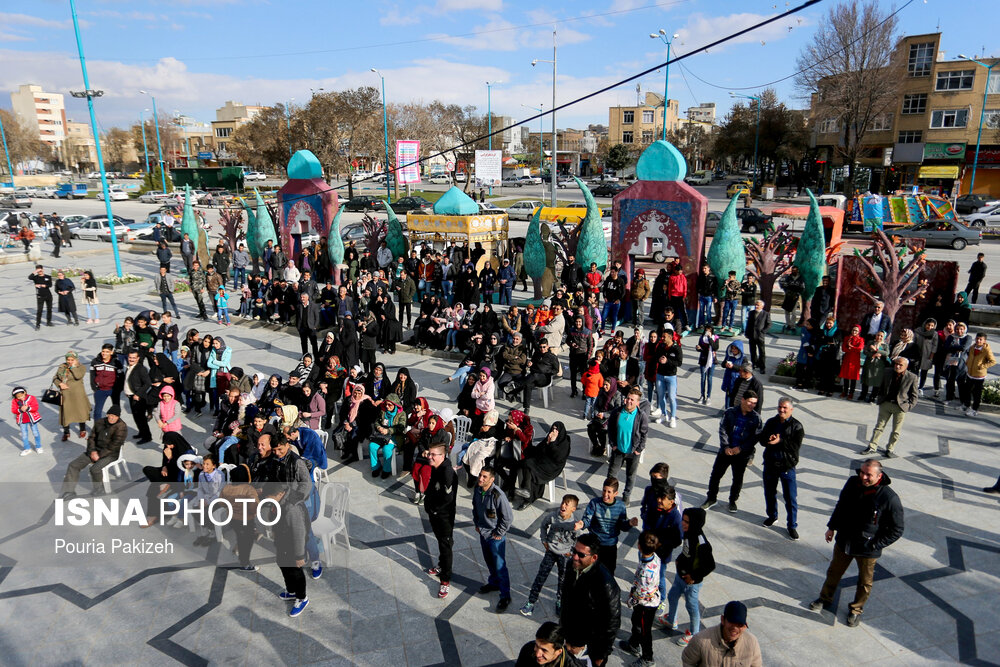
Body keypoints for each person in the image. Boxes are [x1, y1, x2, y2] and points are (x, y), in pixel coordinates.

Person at [810, 459, 904, 628]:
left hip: (868, 549)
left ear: (879, 476)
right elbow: (841, 506)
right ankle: (825, 598)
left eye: (869, 475)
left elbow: (897, 529)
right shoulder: (852, 483)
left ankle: (856, 609)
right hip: (845, 540)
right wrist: (831, 527)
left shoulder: (889, 498)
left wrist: (876, 544)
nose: (864, 477)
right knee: (833, 572)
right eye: (862, 472)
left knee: (865, 582)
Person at [266, 434, 313, 618]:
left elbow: (306, 485)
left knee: (294, 562)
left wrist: (292, 500)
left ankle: (302, 597)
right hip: (280, 505)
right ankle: (291, 590)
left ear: (287, 445)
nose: (277, 453)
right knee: (281, 558)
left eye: (280, 449)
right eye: (274, 450)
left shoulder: (296, 462)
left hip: (292, 506)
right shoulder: (275, 460)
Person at [559, 533, 621, 667]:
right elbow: (566, 602)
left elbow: (611, 623)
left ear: (594, 557)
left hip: (589, 647)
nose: (575, 557)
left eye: (581, 555)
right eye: (574, 551)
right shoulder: (572, 566)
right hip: (570, 640)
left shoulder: (605, 584)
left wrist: (600, 655)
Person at [519, 494, 581, 617]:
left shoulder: (575, 524)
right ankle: (531, 602)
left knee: (562, 581)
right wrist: (544, 540)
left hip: (565, 555)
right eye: (563, 502)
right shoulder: (553, 516)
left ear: (573, 509)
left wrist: (571, 551)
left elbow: (577, 540)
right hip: (551, 552)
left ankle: (559, 601)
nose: (563, 505)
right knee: (541, 576)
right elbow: (543, 525)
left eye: (567, 504)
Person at [661, 508, 715, 647]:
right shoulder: (687, 533)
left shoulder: (701, 542)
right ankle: (671, 620)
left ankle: (694, 633)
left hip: (692, 583)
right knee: (672, 596)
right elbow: (686, 551)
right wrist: (680, 559)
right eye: (683, 520)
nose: (683, 523)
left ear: (695, 523)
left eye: (686, 521)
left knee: (691, 606)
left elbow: (710, 565)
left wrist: (694, 576)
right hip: (681, 576)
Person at [701, 391, 762, 514]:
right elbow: (722, 429)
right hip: (726, 451)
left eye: (754, 403)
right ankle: (711, 498)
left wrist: (741, 448)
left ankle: (733, 500)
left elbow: (755, 437)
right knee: (716, 475)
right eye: (750, 402)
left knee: (738, 478)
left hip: (742, 454)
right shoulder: (730, 412)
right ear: (743, 400)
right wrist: (726, 446)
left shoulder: (756, 418)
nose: (752, 405)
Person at [759, 397, 804, 540]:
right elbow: (761, 440)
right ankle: (772, 516)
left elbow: (795, 447)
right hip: (770, 463)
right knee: (769, 492)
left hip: (787, 466)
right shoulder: (772, 422)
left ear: (791, 409)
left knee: (790, 497)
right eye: (780, 407)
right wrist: (768, 439)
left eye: (785, 408)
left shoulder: (797, 426)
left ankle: (792, 526)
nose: (781, 410)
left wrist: (780, 441)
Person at [59, 406, 127, 498]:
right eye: (110, 415)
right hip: (94, 451)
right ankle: (69, 491)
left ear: (118, 417)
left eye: (114, 416)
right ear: (107, 414)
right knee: (73, 465)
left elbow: (114, 446)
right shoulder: (100, 422)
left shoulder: (121, 427)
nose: (112, 418)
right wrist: (92, 451)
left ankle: (99, 488)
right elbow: (91, 438)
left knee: (95, 469)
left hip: (110, 454)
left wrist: (99, 455)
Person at [618, 530, 663, 667]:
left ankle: (647, 658)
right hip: (651, 598)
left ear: (639, 546)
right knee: (636, 622)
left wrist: (631, 601)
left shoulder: (645, 571)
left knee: (644, 630)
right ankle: (633, 644)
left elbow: (640, 593)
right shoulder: (655, 557)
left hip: (646, 604)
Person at [473, 466, 514, 613]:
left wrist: (499, 532)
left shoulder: (498, 495)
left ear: (492, 479)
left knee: (500, 566)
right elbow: (475, 508)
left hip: (495, 536)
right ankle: (494, 582)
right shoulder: (477, 490)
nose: (480, 479)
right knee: (489, 561)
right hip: (483, 533)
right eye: (480, 475)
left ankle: (505, 596)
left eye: (484, 477)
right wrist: (477, 523)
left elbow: (508, 518)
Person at [578, 476, 639, 574]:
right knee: (591, 572)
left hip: (610, 546)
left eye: (609, 492)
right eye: (604, 490)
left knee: (608, 573)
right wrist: (582, 523)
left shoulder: (620, 506)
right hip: (594, 544)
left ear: (616, 493)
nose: (605, 494)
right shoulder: (595, 503)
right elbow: (587, 519)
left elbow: (622, 525)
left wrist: (629, 523)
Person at [420, 442, 457, 598]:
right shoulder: (436, 467)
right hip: (434, 514)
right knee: (441, 542)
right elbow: (431, 487)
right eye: (429, 454)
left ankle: (445, 581)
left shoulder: (447, 472)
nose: (430, 457)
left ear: (442, 456)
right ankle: (441, 565)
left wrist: (435, 510)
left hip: (444, 517)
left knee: (446, 546)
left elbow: (448, 498)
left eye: (433, 455)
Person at [861, 357, 918, 457]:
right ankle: (872, 447)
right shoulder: (887, 372)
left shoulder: (912, 377)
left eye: (900, 365)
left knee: (896, 430)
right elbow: (881, 386)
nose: (897, 366)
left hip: (900, 407)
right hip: (886, 404)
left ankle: (890, 449)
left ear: (906, 366)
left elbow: (914, 395)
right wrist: (880, 399)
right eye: (896, 364)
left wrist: (908, 407)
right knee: (879, 427)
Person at [681, 600, 763, 667]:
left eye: (739, 625)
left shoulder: (752, 643)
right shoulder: (701, 640)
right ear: (722, 620)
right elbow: (688, 662)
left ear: (745, 626)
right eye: (731, 622)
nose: (735, 628)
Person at [514, 422, 571, 509]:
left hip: (553, 467)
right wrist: (547, 442)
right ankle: (527, 491)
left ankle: (528, 497)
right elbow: (539, 449)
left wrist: (552, 443)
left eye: (557, 429)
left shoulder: (564, 442)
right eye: (553, 428)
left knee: (529, 465)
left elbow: (558, 457)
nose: (554, 431)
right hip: (543, 461)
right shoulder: (549, 437)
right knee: (525, 463)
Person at [607, 387, 649, 504]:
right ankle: (610, 493)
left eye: (632, 400)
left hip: (633, 452)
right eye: (628, 398)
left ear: (637, 403)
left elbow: (644, 433)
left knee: (630, 475)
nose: (629, 401)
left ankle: (627, 495)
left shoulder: (641, 416)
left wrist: (639, 449)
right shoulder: (617, 412)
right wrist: (613, 444)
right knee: (612, 474)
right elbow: (610, 429)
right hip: (618, 450)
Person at [54, 351, 91, 442]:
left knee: (80, 412)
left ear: (76, 359)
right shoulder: (62, 366)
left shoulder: (81, 367)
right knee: (66, 414)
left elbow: (78, 376)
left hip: (78, 394)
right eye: (68, 359)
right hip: (66, 395)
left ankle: (82, 429)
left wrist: (73, 367)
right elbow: (55, 378)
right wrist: (59, 384)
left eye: (72, 359)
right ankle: (66, 432)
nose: (69, 361)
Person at [367, 393, 406, 479]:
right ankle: (376, 467)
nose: (387, 406)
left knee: (387, 449)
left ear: (395, 404)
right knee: (372, 446)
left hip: (395, 436)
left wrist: (389, 430)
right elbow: (377, 421)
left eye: (390, 405)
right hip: (382, 435)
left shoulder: (401, 414)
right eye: (386, 404)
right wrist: (378, 427)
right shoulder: (383, 411)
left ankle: (386, 469)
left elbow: (401, 427)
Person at [515, 622, 582, 667]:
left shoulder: (570, 665)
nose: (537, 654)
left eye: (544, 650)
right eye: (537, 645)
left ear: (558, 652)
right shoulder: (528, 649)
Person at [960, 332, 995, 416]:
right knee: (967, 390)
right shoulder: (972, 347)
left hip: (979, 375)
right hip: (970, 373)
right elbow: (969, 357)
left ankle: (975, 409)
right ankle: (966, 405)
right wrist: (967, 363)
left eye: (980, 339)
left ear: (984, 341)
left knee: (976, 393)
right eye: (977, 339)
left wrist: (982, 366)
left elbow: (993, 361)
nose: (978, 341)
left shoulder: (986, 350)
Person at [123, 350, 153, 444]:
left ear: (138, 358)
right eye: (130, 357)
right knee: (136, 417)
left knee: (141, 418)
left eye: (133, 358)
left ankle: (147, 436)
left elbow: (148, 383)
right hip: (131, 396)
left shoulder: (140, 368)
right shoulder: (129, 367)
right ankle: (141, 432)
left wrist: (138, 394)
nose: (131, 359)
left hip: (138, 398)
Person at [11, 387, 43, 456]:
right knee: (24, 435)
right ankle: (27, 448)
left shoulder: (31, 398)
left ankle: (38, 447)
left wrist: (28, 408)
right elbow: (13, 410)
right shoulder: (15, 401)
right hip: (22, 420)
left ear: (24, 392)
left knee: (35, 432)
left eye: (21, 395)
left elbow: (35, 407)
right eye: (18, 397)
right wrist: (20, 410)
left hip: (32, 419)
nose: (20, 398)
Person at [695, 325, 719, 405]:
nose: (707, 331)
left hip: (711, 360)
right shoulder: (701, 338)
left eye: (709, 330)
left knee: (709, 378)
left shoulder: (715, 338)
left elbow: (715, 347)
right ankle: (702, 395)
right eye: (706, 330)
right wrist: (698, 348)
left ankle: (708, 396)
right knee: (703, 378)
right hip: (703, 359)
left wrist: (709, 338)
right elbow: (700, 348)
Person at [744, 299, 770, 372]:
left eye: (758, 305)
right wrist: (746, 333)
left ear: (762, 306)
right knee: (752, 351)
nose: (756, 306)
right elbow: (748, 323)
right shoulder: (751, 313)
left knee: (762, 352)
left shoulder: (766, 314)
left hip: (760, 336)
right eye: (756, 305)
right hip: (752, 335)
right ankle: (754, 363)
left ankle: (762, 367)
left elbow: (769, 324)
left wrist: (763, 331)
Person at [778, 266, 805, 333]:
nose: (794, 271)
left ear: (797, 271)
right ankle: (788, 324)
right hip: (788, 295)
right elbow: (783, 284)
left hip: (795, 296)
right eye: (793, 270)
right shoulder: (788, 277)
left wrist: (798, 293)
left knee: (794, 312)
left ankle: (793, 325)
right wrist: (786, 291)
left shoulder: (800, 278)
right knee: (787, 311)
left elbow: (802, 287)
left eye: (795, 270)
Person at [29, 265, 53, 330]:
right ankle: (38, 324)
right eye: (38, 270)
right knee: (39, 310)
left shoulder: (48, 277)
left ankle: (49, 322)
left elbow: (50, 285)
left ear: (43, 269)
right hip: (40, 296)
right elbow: (29, 277)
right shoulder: (35, 277)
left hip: (48, 295)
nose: (40, 271)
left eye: (40, 270)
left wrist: (44, 285)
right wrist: (35, 271)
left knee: (49, 309)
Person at [296, 292, 320, 357]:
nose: (302, 299)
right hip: (302, 328)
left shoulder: (313, 306)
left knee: (314, 343)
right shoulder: (299, 306)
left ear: (307, 298)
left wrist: (315, 326)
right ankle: (305, 356)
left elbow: (317, 317)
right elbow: (297, 317)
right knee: (303, 343)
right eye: (301, 297)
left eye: (303, 297)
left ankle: (316, 356)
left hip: (311, 328)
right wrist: (298, 327)